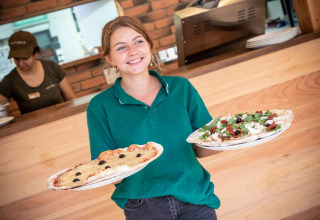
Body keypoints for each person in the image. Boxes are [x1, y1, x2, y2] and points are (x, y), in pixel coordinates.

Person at [87, 16, 221, 220]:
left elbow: (202, 148)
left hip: (194, 198)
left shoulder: (181, 88)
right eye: (121, 47)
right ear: (110, 59)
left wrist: (226, 140)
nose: (132, 52)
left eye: (138, 41)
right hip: (144, 208)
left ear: (150, 46)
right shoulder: (100, 107)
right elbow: (105, 169)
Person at [0, 30, 75, 114]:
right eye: (16, 59)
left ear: (35, 53)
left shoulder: (52, 68)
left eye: (25, 58)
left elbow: (70, 99)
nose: (21, 64)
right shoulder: (10, 81)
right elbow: (1, 109)